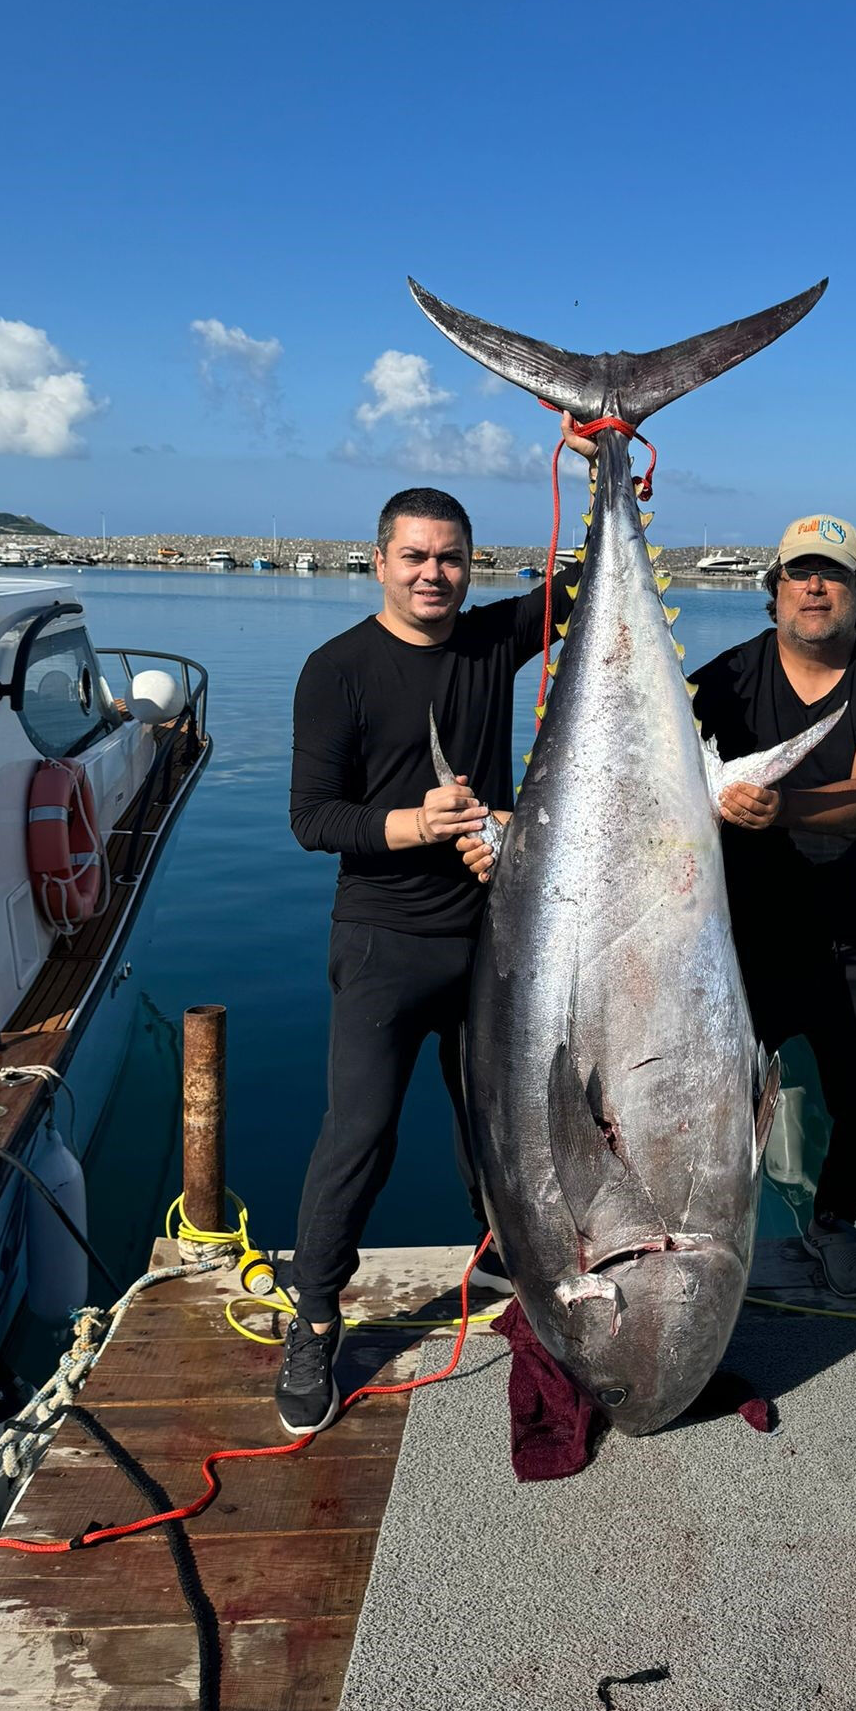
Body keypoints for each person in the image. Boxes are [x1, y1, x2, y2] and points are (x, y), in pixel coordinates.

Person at [277, 422, 594, 1434]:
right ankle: (314, 1319)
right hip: (383, 942)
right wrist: (416, 824)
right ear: (379, 562)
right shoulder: (336, 668)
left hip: (493, 941)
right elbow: (311, 818)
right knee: (359, 1134)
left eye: (450, 557)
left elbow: (588, 584)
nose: (433, 573)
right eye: (414, 555)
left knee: (500, 1127)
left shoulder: (492, 641)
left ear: (472, 564)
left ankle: (507, 1263)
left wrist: (606, 466)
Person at [690, 514, 856, 1297]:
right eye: (800, 572)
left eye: (833, 574)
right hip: (748, 941)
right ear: (775, 588)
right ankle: (699, 1233)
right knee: (712, 1103)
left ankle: (833, 1221)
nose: (815, 586)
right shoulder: (721, 680)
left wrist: (780, 808)